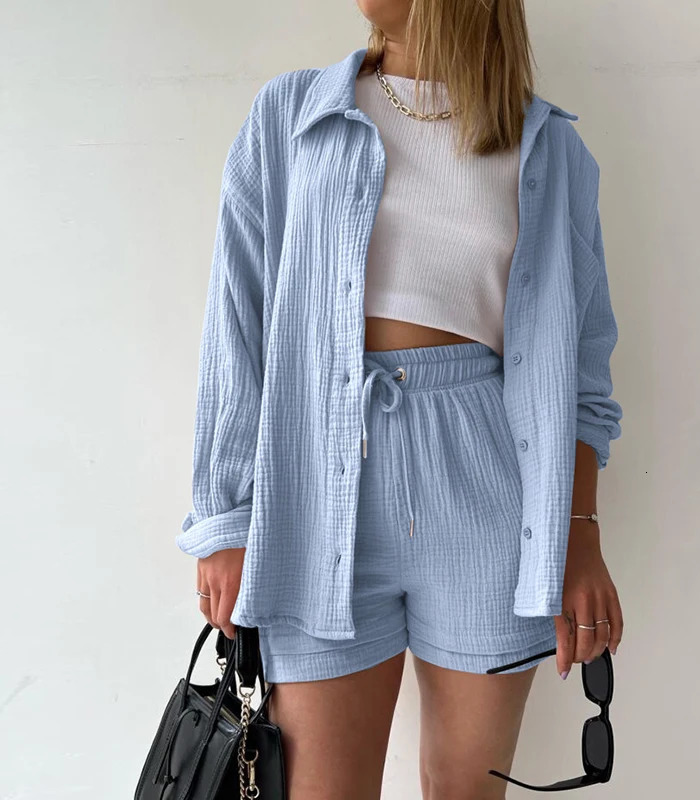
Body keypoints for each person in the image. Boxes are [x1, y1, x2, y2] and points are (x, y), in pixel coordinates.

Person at [177, 2, 624, 798]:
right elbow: (235, 325)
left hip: (485, 486)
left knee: (466, 789)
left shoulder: (547, 147)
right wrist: (225, 518)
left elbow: (583, 371)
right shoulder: (293, 114)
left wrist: (579, 534)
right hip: (315, 488)